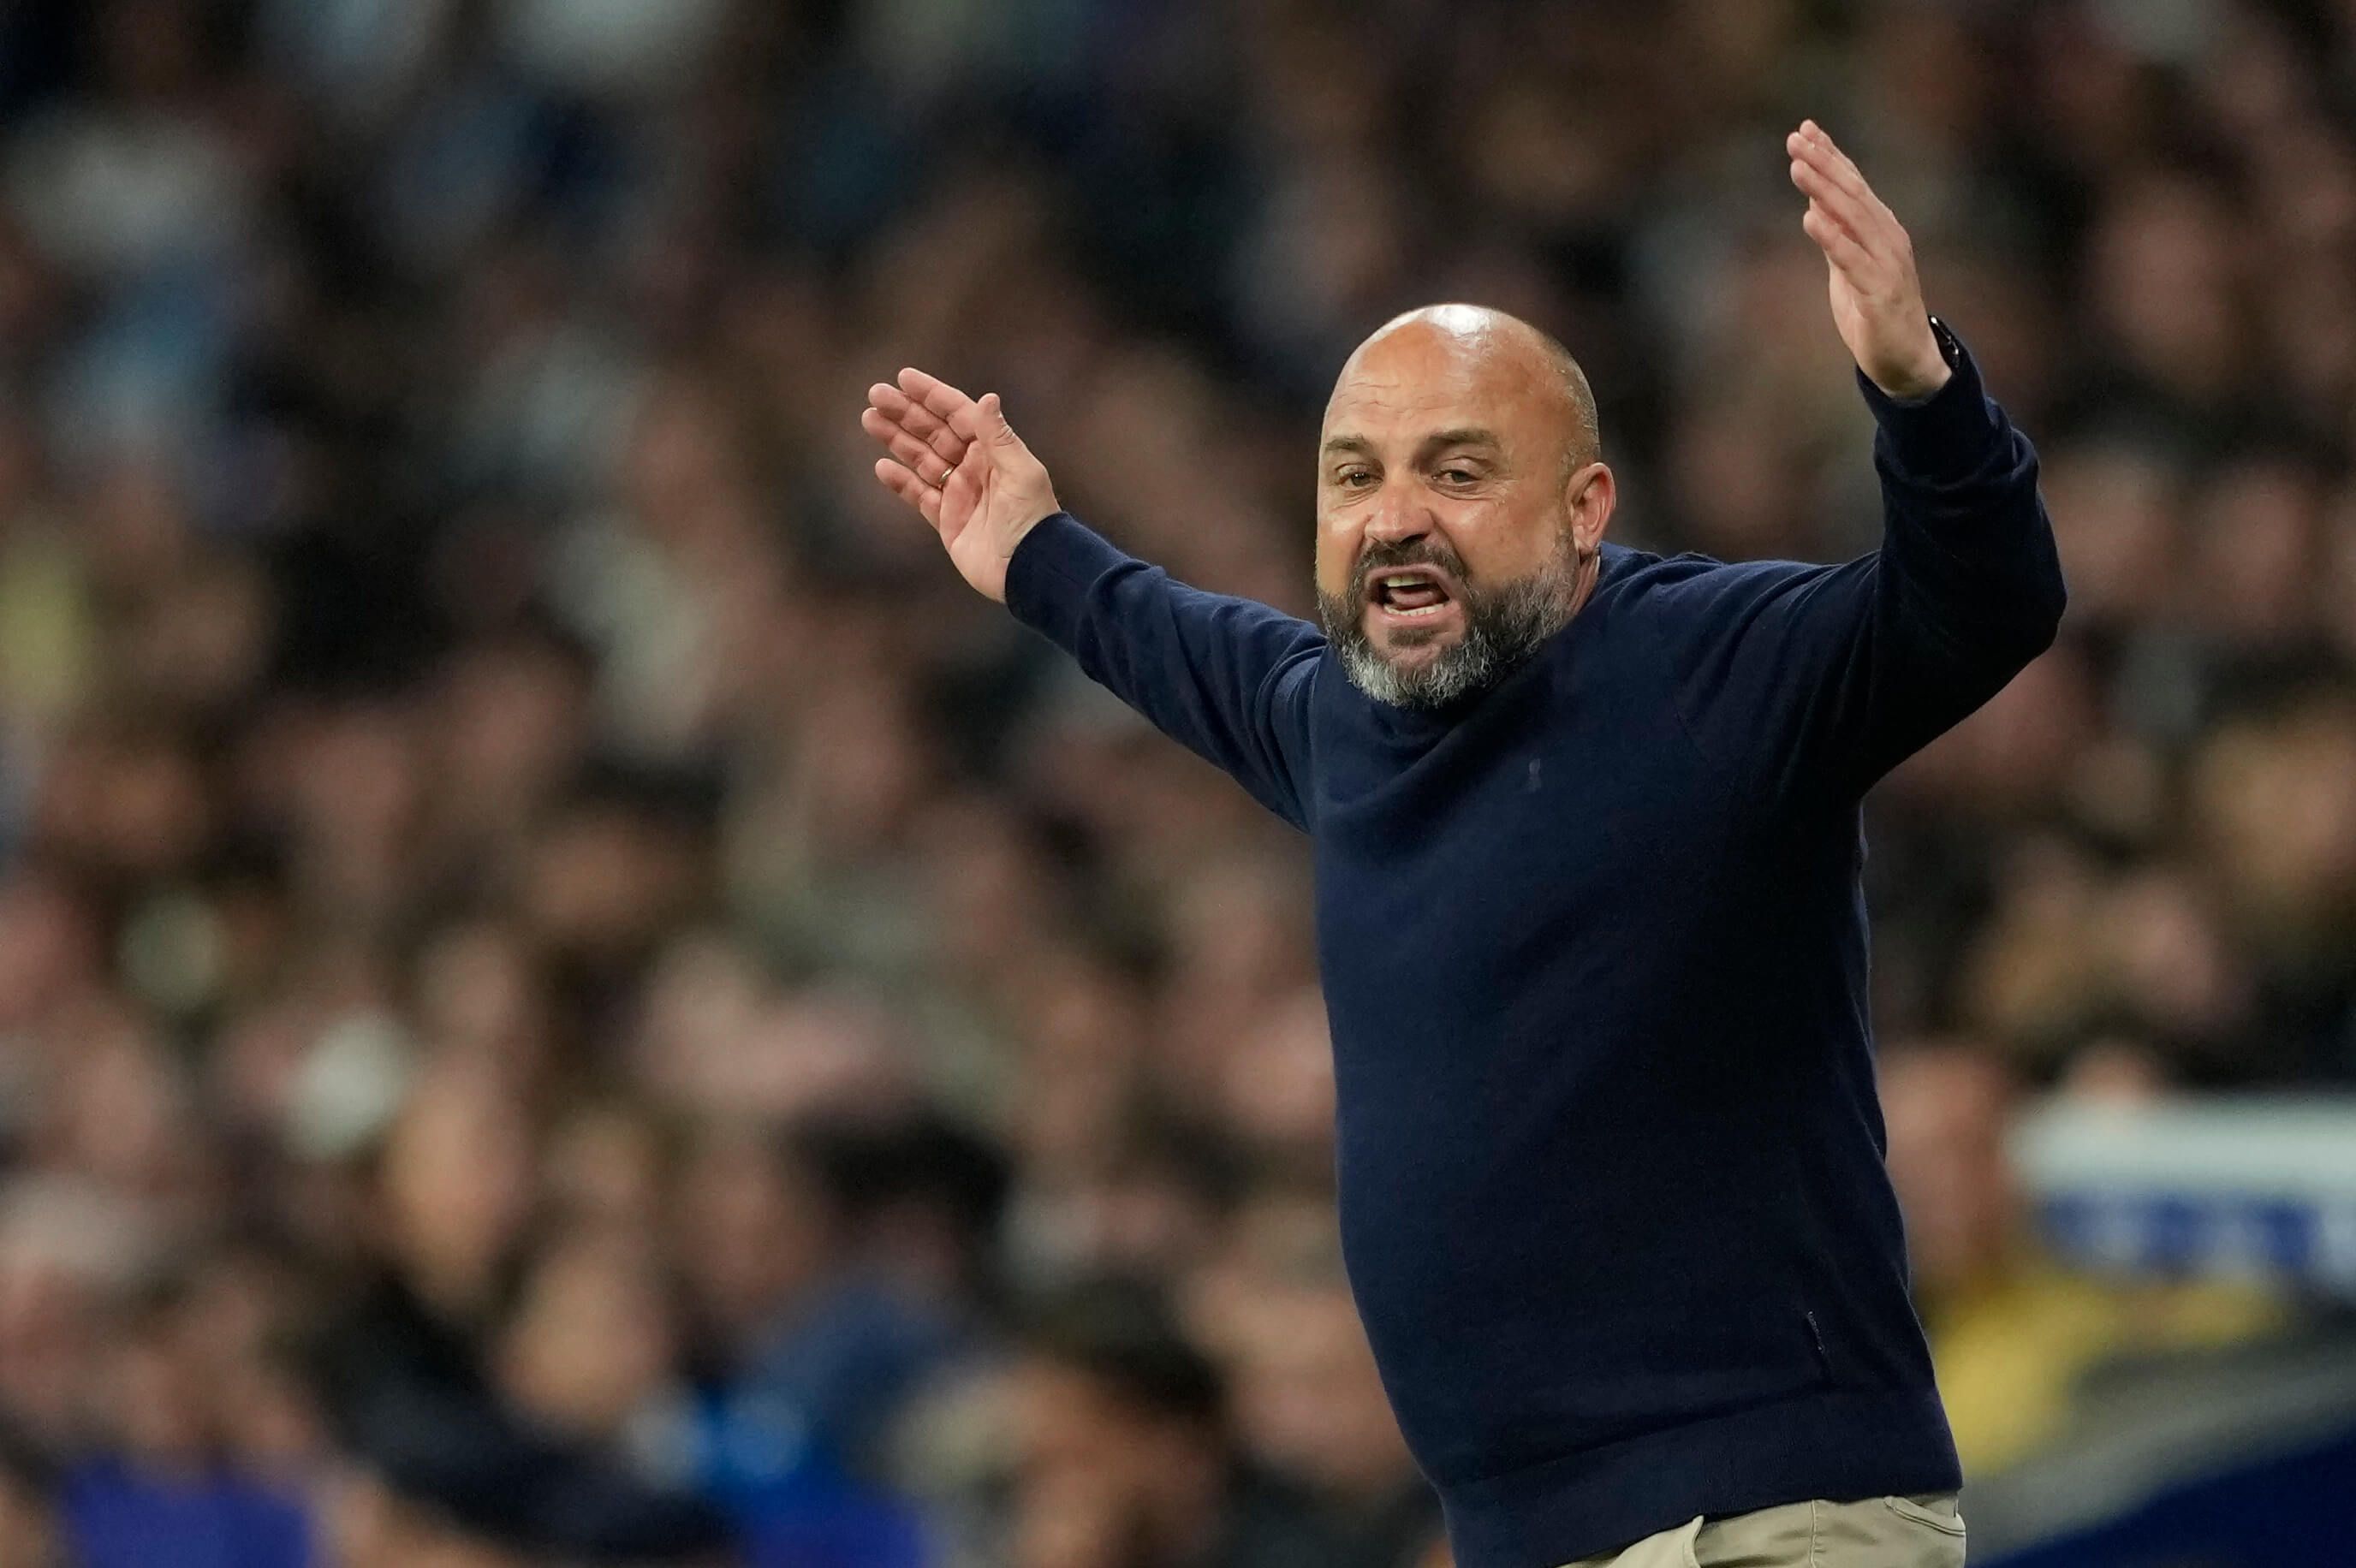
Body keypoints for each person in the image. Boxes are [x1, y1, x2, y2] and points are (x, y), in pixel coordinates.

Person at [860, 122, 2063, 1568]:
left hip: (1768, 1517)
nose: (1394, 520)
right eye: (1354, 477)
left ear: (1584, 514)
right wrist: (1035, 548)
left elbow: (1987, 605)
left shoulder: (1718, 665)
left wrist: (1916, 388)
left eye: (1457, 470)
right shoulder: (1338, 720)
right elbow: (1175, 640)